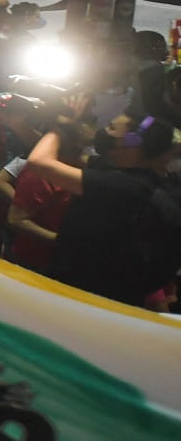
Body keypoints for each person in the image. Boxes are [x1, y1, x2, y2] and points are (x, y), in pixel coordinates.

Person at [29, 114, 181, 306]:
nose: (103, 132)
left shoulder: (124, 185)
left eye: (111, 127)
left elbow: (38, 162)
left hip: (87, 295)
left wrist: (58, 128)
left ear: (132, 141)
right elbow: (60, 154)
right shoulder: (129, 175)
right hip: (98, 289)